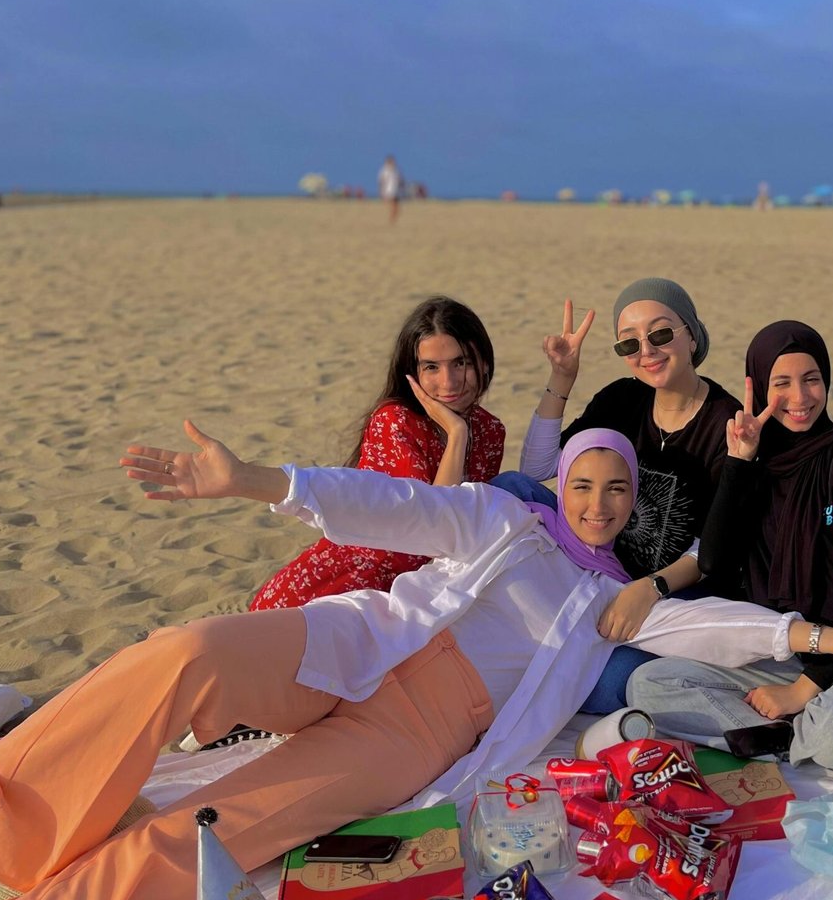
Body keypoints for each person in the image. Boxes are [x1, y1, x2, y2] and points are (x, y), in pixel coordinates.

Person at [0, 425, 833, 900]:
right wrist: (257, 481)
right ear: (560, 488)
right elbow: (390, 507)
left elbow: (714, 625)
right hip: (348, 648)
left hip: (412, 735)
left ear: (634, 504)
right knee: (181, 657)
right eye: (583, 483)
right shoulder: (499, 522)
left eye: (616, 490)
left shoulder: (614, 605)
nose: (596, 503)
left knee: (212, 834)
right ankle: (3, 812)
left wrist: (828, 640)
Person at [628, 321, 833, 771]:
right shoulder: (755, 463)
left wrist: (801, 691)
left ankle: (785, 731)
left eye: (811, 379)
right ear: (758, 387)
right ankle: (788, 735)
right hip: (791, 645)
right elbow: (713, 561)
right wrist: (738, 463)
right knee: (649, 684)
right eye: (782, 384)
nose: (800, 398)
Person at [511, 279, 742, 711]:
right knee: (510, 489)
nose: (646, 351)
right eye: (628, 344)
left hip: (669, 592)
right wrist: (562, 377)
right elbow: (539, 469)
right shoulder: (622, 399)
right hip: (597, 566)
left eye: (660, 334)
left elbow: (714, 547)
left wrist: (649, 588)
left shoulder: (726, 424)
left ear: (691, 335)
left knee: (609, 686)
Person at [250, 296, 506, 610]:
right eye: (431, 367)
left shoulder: (489, 429)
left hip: (436, 582)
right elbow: (430, 527)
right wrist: (456, 435)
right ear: (412, 374)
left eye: (461, 362)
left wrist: (560, 380)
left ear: (484, 362)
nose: (448, 382)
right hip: (361, 582)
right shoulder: (395, 421)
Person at [378, 154, 404, 224]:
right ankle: (391, 221)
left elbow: (400, 180)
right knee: (393, 206)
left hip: (396, 191)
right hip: (388, 191)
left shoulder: (396, 170)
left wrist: (402, 188)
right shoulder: (384, 171)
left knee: (397, 208)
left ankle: (392, 220)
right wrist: (381, 191)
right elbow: (381, 181)